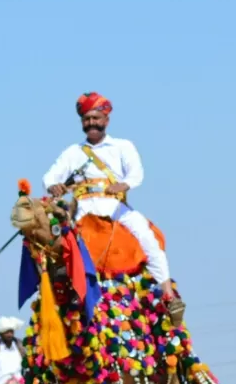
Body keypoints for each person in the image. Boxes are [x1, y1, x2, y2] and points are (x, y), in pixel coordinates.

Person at [43, 91, 184, 322]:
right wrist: (54, 187)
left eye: (96, 118)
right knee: (62, 243)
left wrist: (124, 185)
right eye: (87, 119)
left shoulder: (122, 146)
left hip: (114, 206)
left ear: (106, 120)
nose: (91, 123)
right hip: (84, 208)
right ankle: (69, 294)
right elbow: (49, 177)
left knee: (147, 237)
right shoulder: (73, 152)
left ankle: (168, 295)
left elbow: (137, 173)